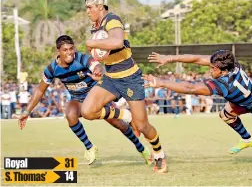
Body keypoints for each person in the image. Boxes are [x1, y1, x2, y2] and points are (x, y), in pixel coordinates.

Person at [145, 50, 252, 153]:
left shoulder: (224, 85)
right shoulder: (232, 63)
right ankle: (247, 139)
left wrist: (161, 82)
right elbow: (198, 59)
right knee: (225, 114)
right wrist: (168, 58)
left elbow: (190, 88)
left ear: (222, 71)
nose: (210, 69)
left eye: (213, 68)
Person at [19, 35, 152, 165]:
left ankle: (141, 149)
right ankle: (90, 147)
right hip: (78, 99)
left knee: (120, 125)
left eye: (71, 49)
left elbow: (95, 65)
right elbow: (40, 90)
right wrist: (26, 112)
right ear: (58, 51)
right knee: (70, 113)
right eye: (65, 50)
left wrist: (98, 71)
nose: (70, 53)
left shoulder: (81, 58)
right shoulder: (51, 69)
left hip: (97, 97)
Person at [81, 0, 167, 173]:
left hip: (130, 78)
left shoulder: (112, 19)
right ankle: (122, 115)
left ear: (99, 6)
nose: (87, 11)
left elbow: (118, 42)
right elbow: (103, 55)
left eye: (89, 7)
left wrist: (91, 43)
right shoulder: (95, 27)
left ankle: (159, 153)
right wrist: (98, 65)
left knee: (142, 126)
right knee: (87, 111)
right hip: (111, 77)